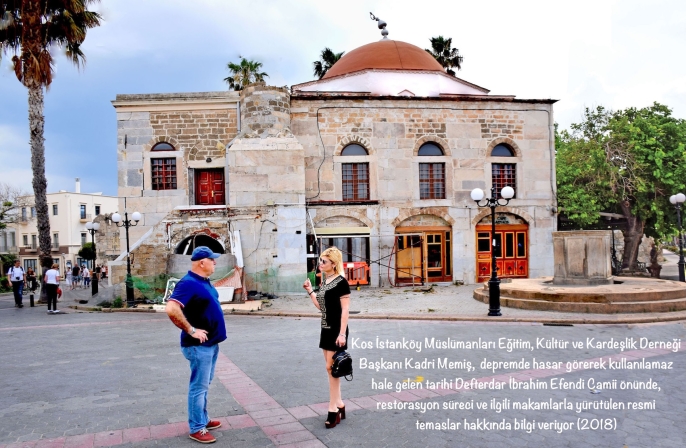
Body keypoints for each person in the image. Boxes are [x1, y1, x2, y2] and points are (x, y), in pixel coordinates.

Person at [165, 246, 226, 444]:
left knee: (204, 384)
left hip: (210, 344)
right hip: (197, 346)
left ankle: (203, 419)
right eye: (212, 259)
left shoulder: (203, 281)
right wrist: (191, 330)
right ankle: (197, 427)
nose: (215, 262)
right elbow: (171, 308)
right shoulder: (188, 283)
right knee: (198, 387)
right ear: (202, 262)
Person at [303, 246, 351, 429]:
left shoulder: (341, 282)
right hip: (325, 328)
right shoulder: (325, 281)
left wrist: (342, 333)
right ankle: (339, 403)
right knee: (331, 369)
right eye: (320, 261)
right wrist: (310, 291)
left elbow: (345, 310)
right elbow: (321, 307)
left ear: (334, 263)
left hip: (337, 330)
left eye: (324, 261)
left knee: (331, 368)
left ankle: (333, 408)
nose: (320, 264)